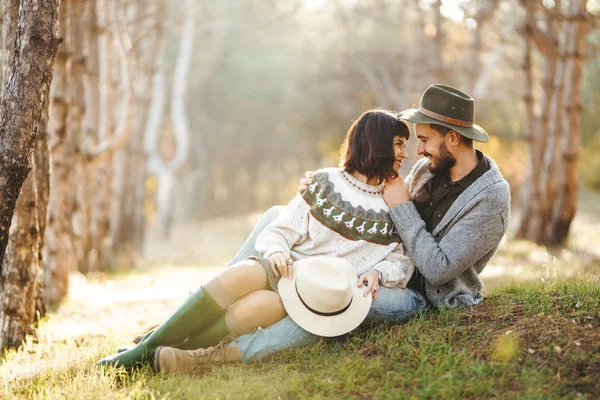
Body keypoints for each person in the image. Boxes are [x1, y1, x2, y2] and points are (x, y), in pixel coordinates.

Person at [146, 83, 510, 372]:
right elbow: (371, 195)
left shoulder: (490, 200)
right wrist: (324, 188)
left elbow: (437, 268)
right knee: (276, 216)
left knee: (334, 295)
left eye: (425, 140)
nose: (417, 151)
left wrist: (400, 211)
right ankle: (190, 319)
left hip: (420, 294)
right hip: (382, 266)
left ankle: (214, 357)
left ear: (452, 138)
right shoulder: (431, 169)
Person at [97, 108, 415, 371]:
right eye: (399, 144)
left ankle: (174, 350)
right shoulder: (325, 181)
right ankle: (143, 351)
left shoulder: (394, 202)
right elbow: (280, 229)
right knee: (246, 271)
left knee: (263, 305)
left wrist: (379, 273)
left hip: (313, 294)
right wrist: (276, 251)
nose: (404, 153)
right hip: (286, 269)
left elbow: (401, 259)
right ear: (375, 143)